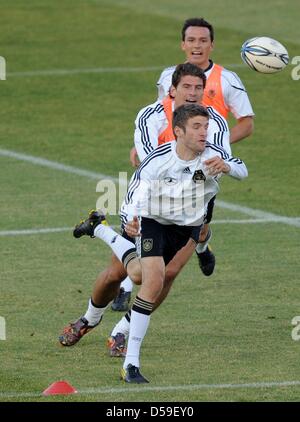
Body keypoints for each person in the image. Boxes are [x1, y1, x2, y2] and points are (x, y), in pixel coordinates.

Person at [60, 103, 248, 383]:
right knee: (154, 281)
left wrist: (228, 166)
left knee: (136, 274)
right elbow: (134, 193)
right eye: (196, 127)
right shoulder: (159, 160)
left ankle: (98, 228)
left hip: (184, 229)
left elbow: (243, 169)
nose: (203, 132)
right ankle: (130, 364)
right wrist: (128, 220)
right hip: (153, 222)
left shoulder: (213, 156)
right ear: (178, 131)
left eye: (206, 127)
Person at [112, 61, 231, 311]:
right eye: (186, 86)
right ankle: (123, 290)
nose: (192, 92)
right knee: (139, 255)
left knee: (187, 246)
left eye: (198, 87)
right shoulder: (151, 115)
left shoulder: (215, 121)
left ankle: (203, 245)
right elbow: (149, 162)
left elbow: (223, 159)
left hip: (196, 191)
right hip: (155, 191)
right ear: (172, 90)